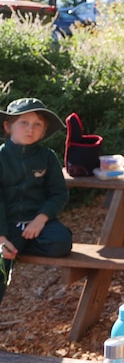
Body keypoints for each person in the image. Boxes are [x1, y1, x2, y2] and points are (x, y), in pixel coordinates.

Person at [0, 97, 73, 305]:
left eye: (37, 125)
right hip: (6, 226)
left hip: (38, 223)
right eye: (23, 122)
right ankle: (14, 246)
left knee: (61, 243)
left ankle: (20, 246)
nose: (30, 129)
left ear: (44, 130)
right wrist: (2, 237)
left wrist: (41, 219)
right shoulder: (1, 157)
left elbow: (58, 193)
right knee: (1, 262)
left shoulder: (47, 157)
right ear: (8, 126)